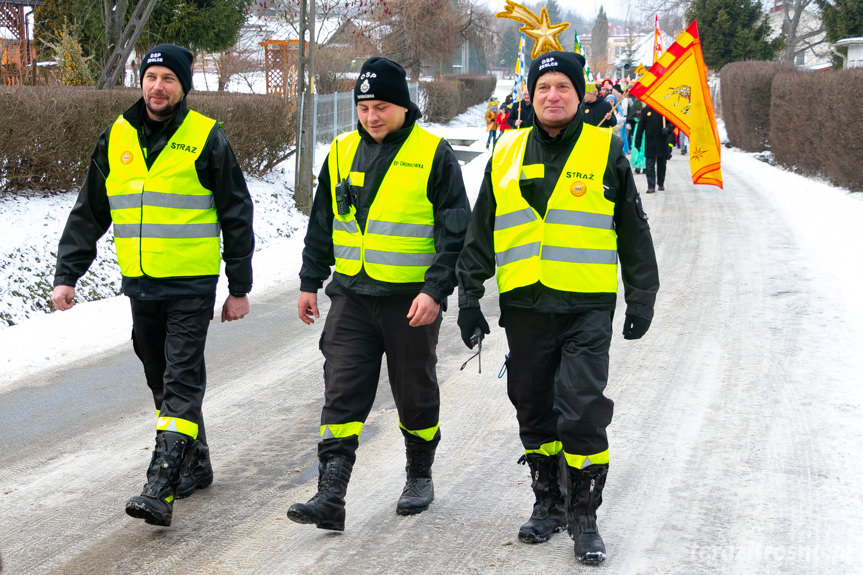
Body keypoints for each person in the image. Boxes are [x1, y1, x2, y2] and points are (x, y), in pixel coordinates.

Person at [455, 51, 659, 565]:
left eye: (562, 87)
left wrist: (642, 295)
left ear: (580, 93)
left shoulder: (606, 149)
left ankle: (584, 517)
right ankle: (548, 502)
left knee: (582, 408)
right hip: (525, 306)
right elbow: (481, 231)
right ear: (529, 93)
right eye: (543, 86)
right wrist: (469, 295)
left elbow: (633, 231)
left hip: (585, 307)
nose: (552, 95)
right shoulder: (505, 152)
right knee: (531, 403)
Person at [51, 44, 255, 527]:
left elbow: (236, 212)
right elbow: (90, 212)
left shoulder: (206, 137)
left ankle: (159, 485)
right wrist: (67, 274)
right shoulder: (115, 137)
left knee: (181, 381)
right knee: (160, 379)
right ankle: (196, 462)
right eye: (151, 77)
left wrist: (239, 285)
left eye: (168, 78)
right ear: (140, 82)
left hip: (190, 284)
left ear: (183, 86)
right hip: (141, 286)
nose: (158, 86)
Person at [288, 57, 470, 532]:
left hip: (410, 300)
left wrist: (436, 290)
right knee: (342, 390)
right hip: (351, 296)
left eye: (382, 106)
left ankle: (419, 474)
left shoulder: (434, 154)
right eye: (364, 106)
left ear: (404, 107)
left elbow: (455, 232)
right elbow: (321, 225)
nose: (371, 116)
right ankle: (331, 496)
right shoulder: (342, 151)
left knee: (414, 391)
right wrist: (310, 281)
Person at [634, 105, 674, 193]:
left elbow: (672, 123)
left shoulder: (664, 110)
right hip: (650, 142)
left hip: (662, 141)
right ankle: (651, 186)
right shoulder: (646, 110)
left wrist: (668, 129)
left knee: (662, 164)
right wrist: (638, 142)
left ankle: (660, 183)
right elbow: (640, 127)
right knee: (649, 165)